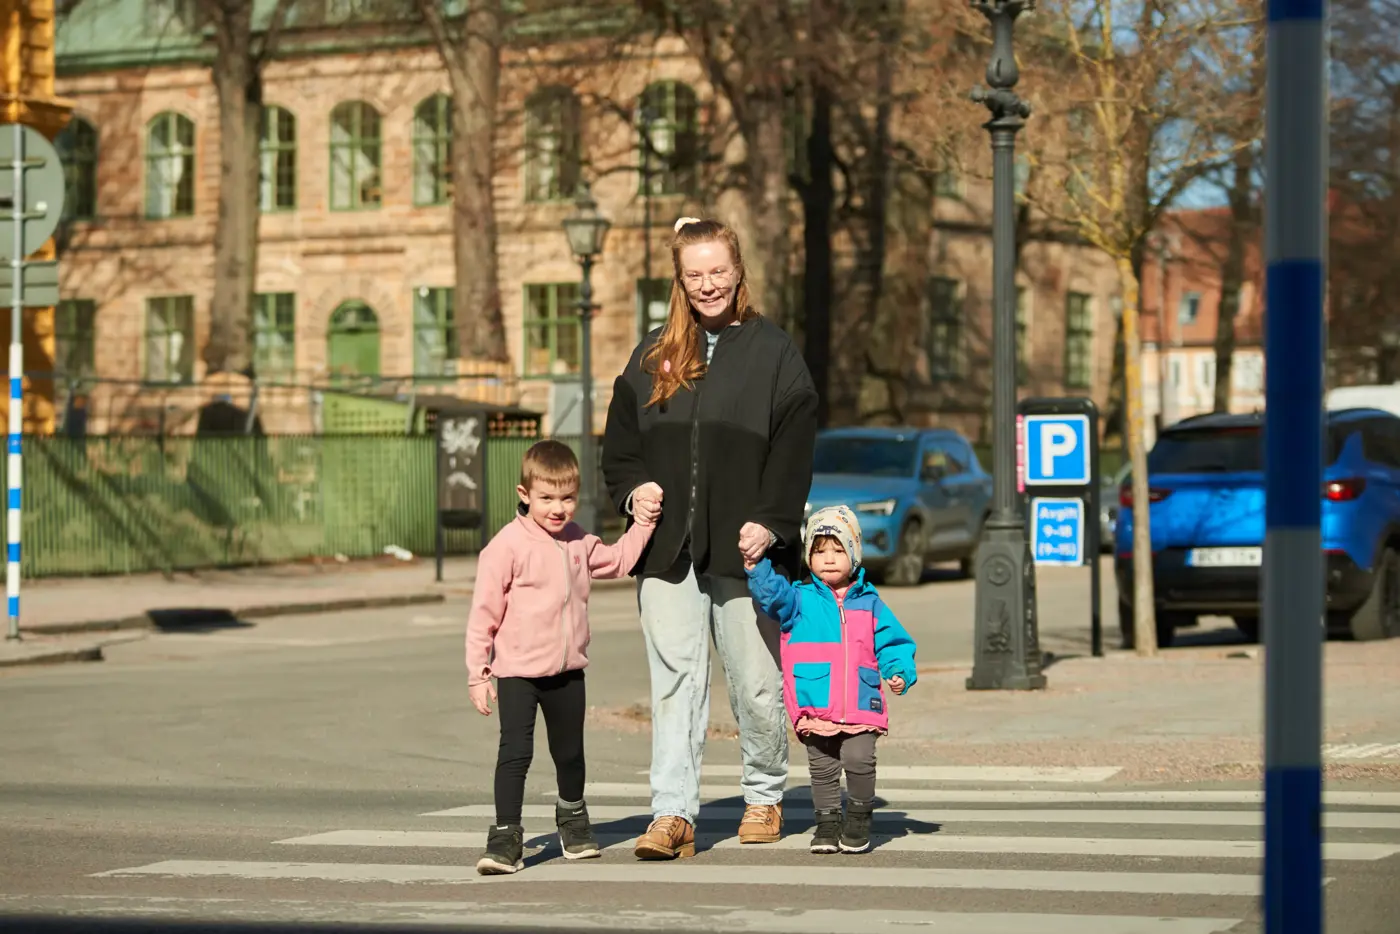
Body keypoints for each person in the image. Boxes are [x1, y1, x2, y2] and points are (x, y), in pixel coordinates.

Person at [602, 216, 819, 860]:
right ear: (680, 278)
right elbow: (620, 445)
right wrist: (632, 488)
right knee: (674, 682)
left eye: (717, 271)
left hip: (745, 545)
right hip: (667, 549)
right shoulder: (652, 356)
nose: (707, 284)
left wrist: (772, 519)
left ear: (738, 270)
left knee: (755, 680)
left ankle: (763, 794)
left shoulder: (773, 351)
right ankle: (673, 814)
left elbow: (795, 443)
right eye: (694, 274)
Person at [465, 439, 658, 874]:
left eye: (567, 498)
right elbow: (483, 615)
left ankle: (572, 819)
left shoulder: (578, 542)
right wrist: (478, 674)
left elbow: (620, 560)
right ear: (524, 495)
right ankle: (505, 838)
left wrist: (643, 523)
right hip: (517, 673)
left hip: (568, 672)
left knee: (570, 753)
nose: (558, 508)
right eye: (547, 498)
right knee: (515, 753)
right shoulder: (505, 547)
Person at [745, 505, 918, 854]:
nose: (828, 558)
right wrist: (756, 566)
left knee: (858, 759)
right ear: (809, 556)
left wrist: (898, 671)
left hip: (859, 700)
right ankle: (826, 823)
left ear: (853, 554)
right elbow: (771, 595)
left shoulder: (869, 602)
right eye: (819, 550)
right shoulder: (798, 598)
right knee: (822, 768)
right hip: (815, 700)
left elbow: (893, 641)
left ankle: (858, 817)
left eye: (838, 550)